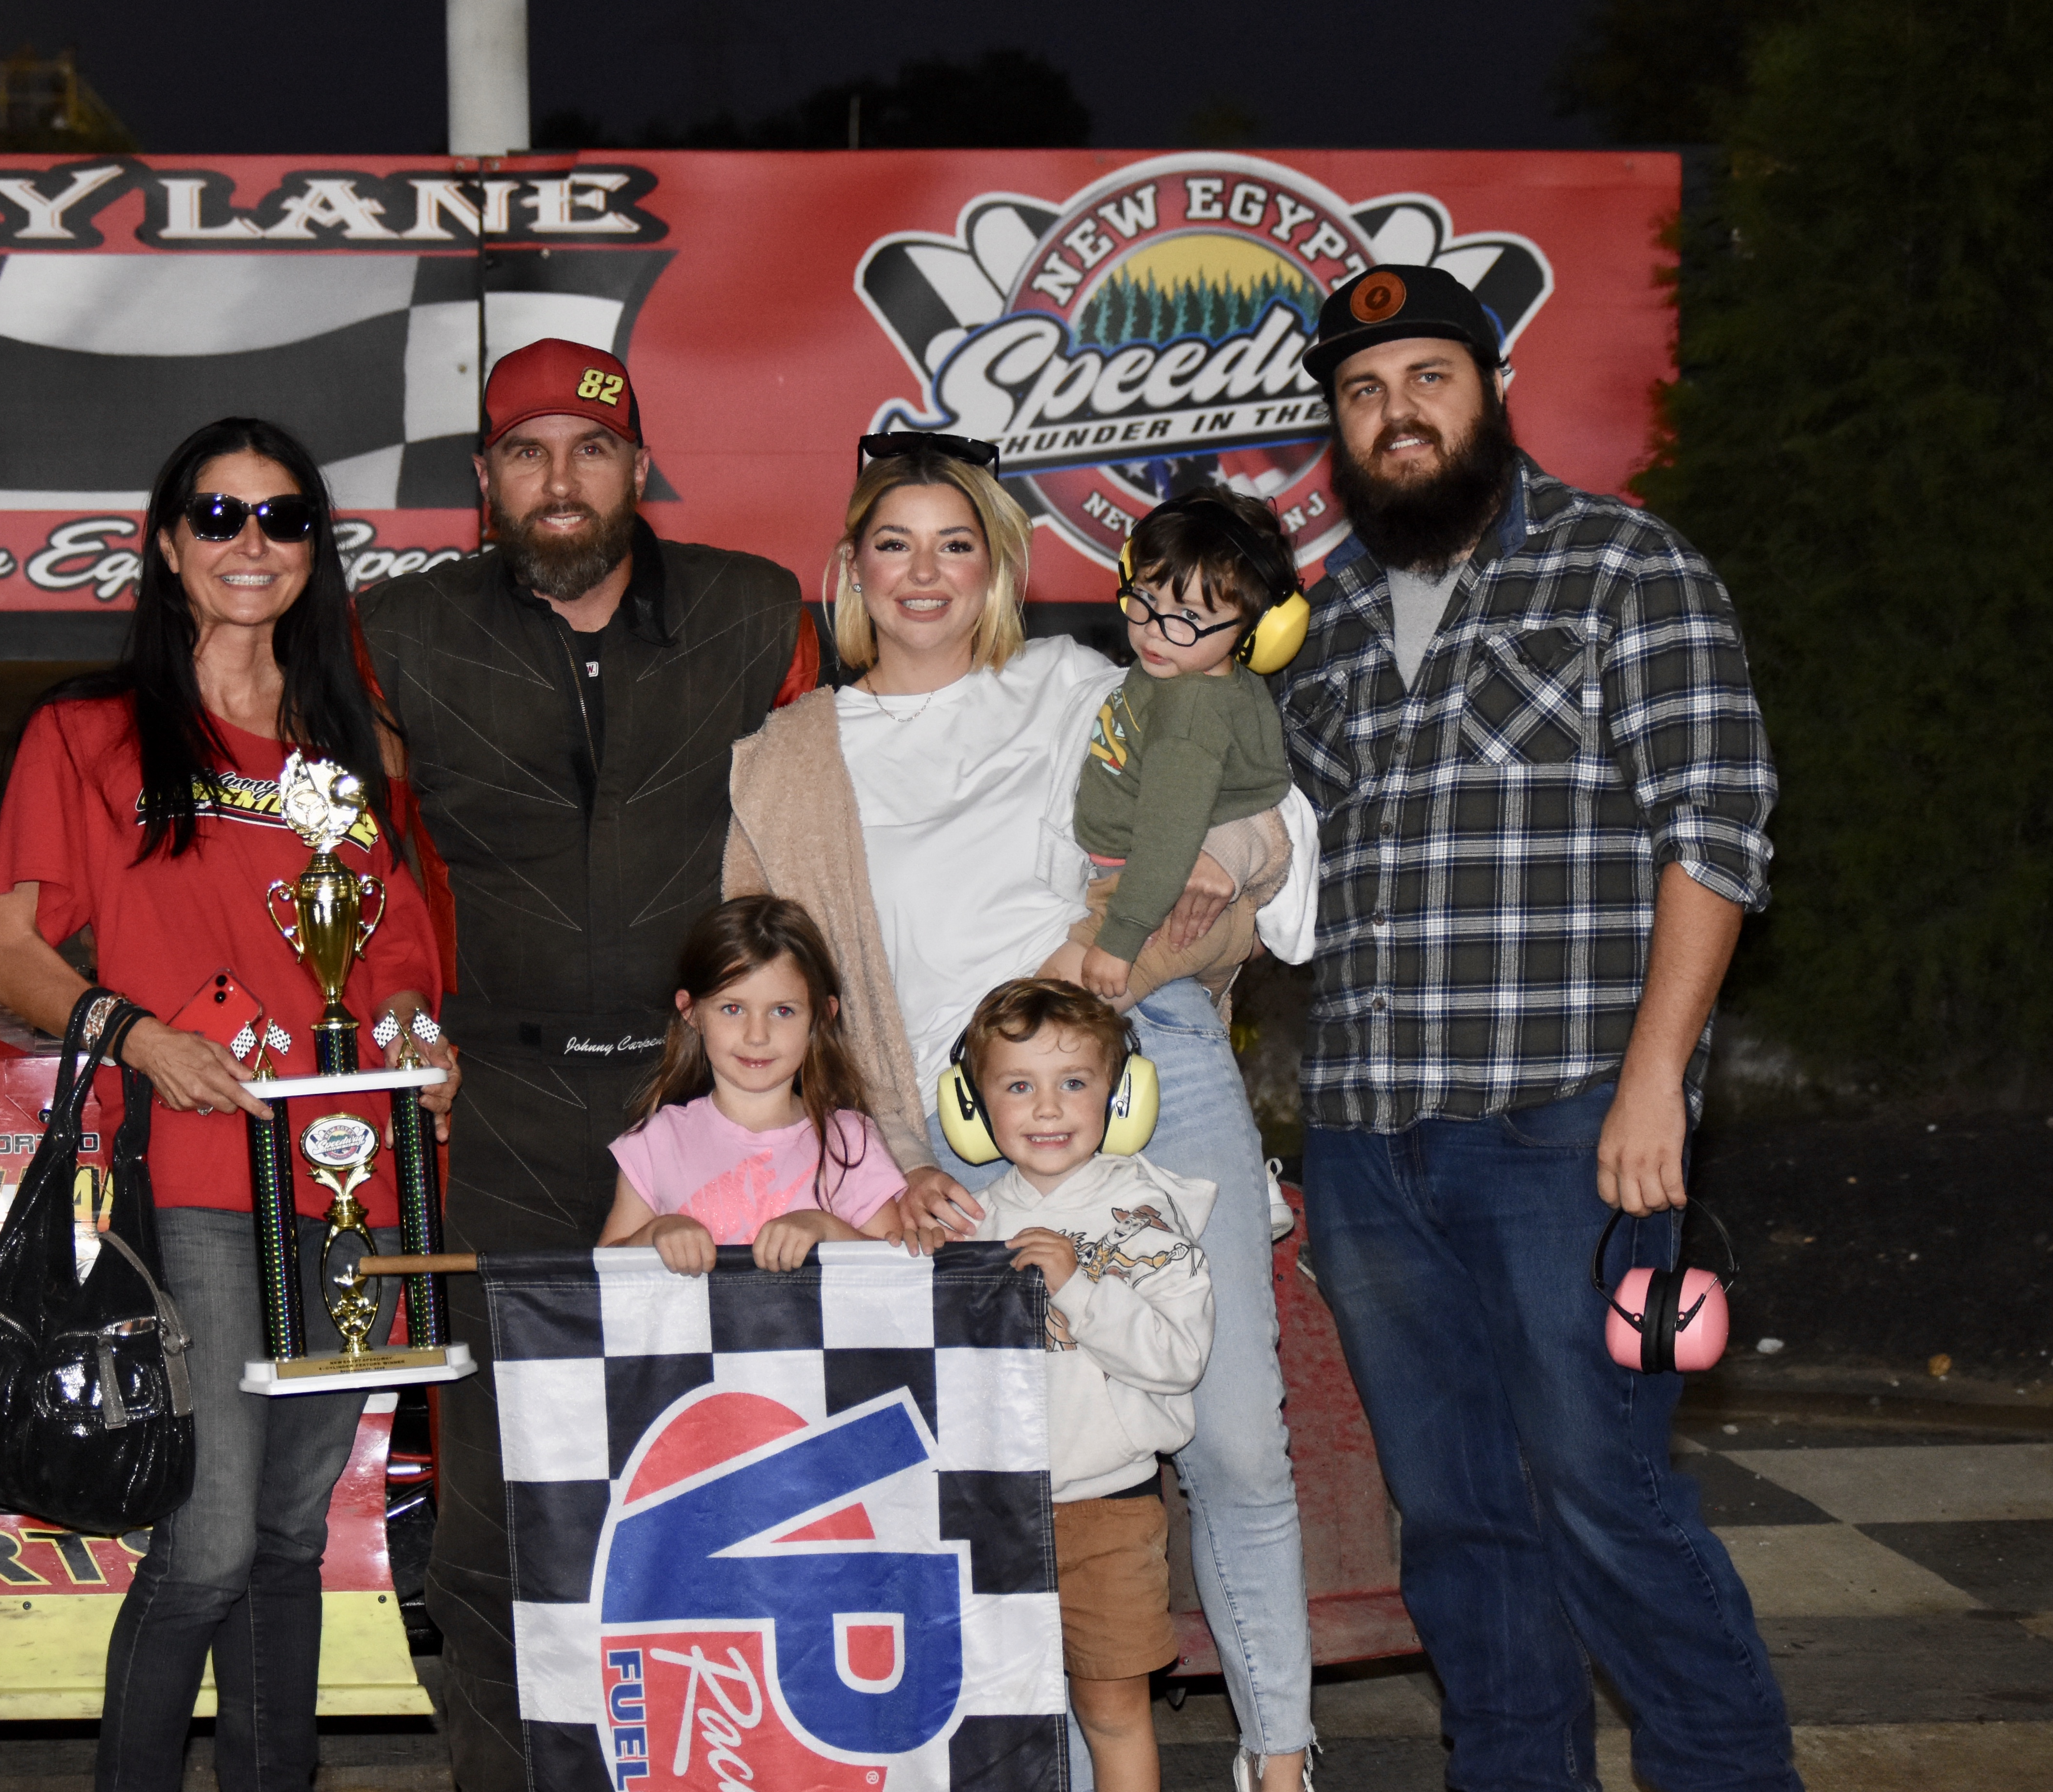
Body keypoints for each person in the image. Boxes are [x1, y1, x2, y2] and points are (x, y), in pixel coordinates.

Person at [726, 433, 1317, 1792]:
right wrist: (876, 1169)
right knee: (1019, 1478)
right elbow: (772, 1007)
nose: (924, 572)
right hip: (953, 1140)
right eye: (894, 544)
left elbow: (1263, 820)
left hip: (1150, 1068)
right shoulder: (784, 759)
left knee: (1233, 1434)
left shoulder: (1075, 686)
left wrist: (1202, 869)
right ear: (849, 568)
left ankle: (1280, 1761)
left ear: (1000, 565)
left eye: (957, 544)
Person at [1282, 264, 1793, 1792]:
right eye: (1362, 392)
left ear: (1493, 390)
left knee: (1603, 1494)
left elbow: (1716, 832)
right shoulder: (1322, 617)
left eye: (1426, 379)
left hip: (1565, 1126)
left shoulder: (1622, 566)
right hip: (1366, 1140)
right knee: (1452, 1515)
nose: (1395, 414)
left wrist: (1655, 1086)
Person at [356, 339, 818, 1791]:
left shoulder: (755, 610)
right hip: (500, 1109)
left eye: (593, 448)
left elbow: (826, 840)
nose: (561, 479)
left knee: (739, 1457)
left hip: (717, 1100)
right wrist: (398, 1011)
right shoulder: (398, 631)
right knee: (500, 1487)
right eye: (528, 451)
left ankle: (735, 1762)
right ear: (485, 478)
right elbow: (355, 862)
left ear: (639, 467)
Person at [0, 416, 460, 1792]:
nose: (253, 543)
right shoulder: (87, 735)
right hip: (199, 1175)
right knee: (208, 1542)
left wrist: (418, 1034)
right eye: (220, 515)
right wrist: (136, 1036)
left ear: (316, 548)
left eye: (284, 517)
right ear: (168, 543)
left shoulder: (351, 742)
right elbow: (5, 951)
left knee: (293, 1538)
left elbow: (395, 947)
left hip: (362, 1181)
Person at [945, 978, 1217, 1792]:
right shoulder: (965, 1225)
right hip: (991, 1516)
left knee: (1112, 1711)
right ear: (972, 1105)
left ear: (1118, 1094)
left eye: (1073, 1082)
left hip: (1108, 1510)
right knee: (995, 1719)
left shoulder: (1145, 1215)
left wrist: (1078, 1288)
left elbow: (1179, 1356)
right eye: (1016, 1086)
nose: (1046, 1108)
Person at [1061, 490, 1299, 1009]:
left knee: (1055, 1017)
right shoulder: (1183, 672)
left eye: (1188, 615)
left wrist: (1121, 939)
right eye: (1146, 597)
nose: (1155, 629)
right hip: (1144, 890)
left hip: (1157, 902)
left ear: (1255, 628)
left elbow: (1167, 840)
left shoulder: (1190, 715)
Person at [600, 893, 908, 1272]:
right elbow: (600, 1279)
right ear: (691, 1011)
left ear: (822, 1018)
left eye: (783, 1011)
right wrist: (653, 1234)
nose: (757, 1035)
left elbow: (899, 1276)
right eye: (733, 1008)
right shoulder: (655, 1142)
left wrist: (828, 1229)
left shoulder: (851, 1143)